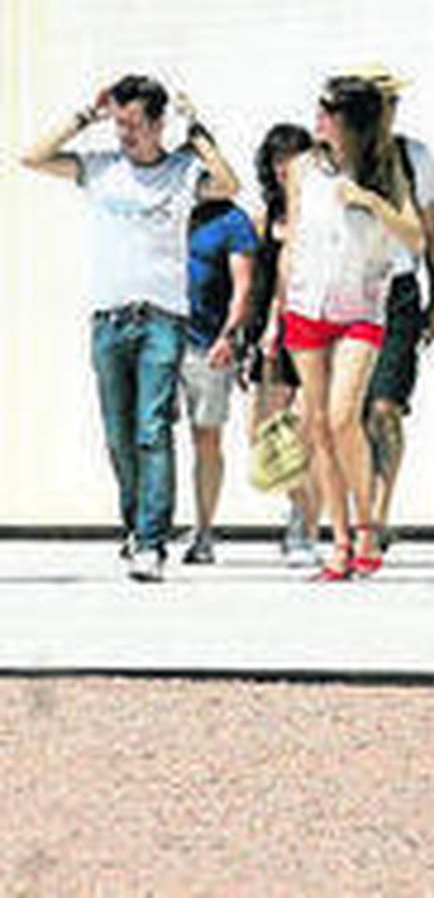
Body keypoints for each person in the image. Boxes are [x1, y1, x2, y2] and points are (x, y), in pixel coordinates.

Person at [21, 75, 242, 582]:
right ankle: (134, 525)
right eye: (119, 123)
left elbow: (228, 184)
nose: (125, 133)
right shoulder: (101, 169)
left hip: (162, 317)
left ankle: (151, 541)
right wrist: (84, 117)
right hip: (108, 318)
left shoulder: (184, 171)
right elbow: (31, 157)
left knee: (152, 429)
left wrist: (197, 127)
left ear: (158, 123)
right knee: (119, 436)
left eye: (135, 123)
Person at [282, 75, 423, 581]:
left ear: (352, 122)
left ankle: (366, 527)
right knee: (318, 424)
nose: (317, 120)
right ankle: (338, 543)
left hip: (362, 307)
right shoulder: (301, 168)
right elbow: (292, 237)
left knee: (344, 417)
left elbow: (416, 237)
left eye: (327, 113)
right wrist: (277, 311)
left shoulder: (387, 169)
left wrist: (371, 203)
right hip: (305, 305)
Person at [342, 66, 434, 554]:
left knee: (385, 409)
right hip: (344, 292)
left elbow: (432, 229)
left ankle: (379, 515)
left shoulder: (412, 156)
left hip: (398, 290)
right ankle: (353, 512)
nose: (388, 112)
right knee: (346, 413)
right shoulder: (335, 158)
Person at [240, 122, 320, 568]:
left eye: (292, 157)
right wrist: (244, 333)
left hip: (309, 326)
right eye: (276, 159)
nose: (284, 167)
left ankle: (302, 528)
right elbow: (253, 281)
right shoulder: (264, 216)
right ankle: (298, 506)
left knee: (307, 432)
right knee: (261, 433)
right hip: (268, 333)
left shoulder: (323, 210)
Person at [175, 193, 258, 564]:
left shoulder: (231, 219)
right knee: (148, 433)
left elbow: (244, 285)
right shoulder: (163, 202)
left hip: (206, 343)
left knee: (205, 436)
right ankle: (146, 527)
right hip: (159, 335)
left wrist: (229, 335)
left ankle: (204, 529)